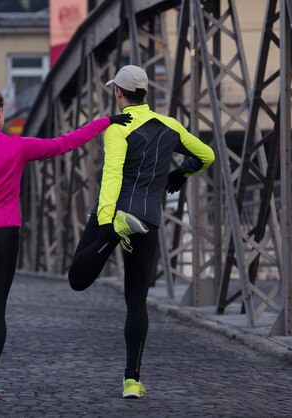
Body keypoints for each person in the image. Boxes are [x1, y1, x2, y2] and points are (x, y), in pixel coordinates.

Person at [0, 75, 133, 400]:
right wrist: (105, 121)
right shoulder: (18, 146)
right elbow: (65, 142)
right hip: (6, 235)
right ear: (1, 112)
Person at [68, 65, 215, 399]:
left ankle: (112, 235)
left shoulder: (120, 127)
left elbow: (112, 175)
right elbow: (207, 155)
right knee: (136, 300)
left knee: (77, 279)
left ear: (119, 92)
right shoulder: (170, 126)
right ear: (144, 92)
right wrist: (182, 173)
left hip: (117, 211)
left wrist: (106, 220)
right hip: (147, 219)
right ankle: (132, 380)